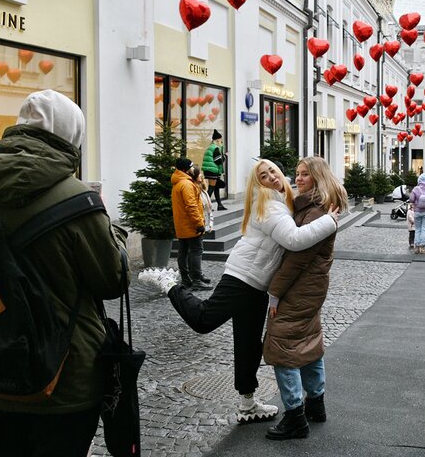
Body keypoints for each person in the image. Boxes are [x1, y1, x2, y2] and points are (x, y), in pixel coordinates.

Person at [0, 90, 128, 456]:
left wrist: (1, 312)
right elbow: (112, 280)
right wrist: (112, 232)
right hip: (67, 379)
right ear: (71, 136)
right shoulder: (80, 201)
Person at [139, 159, 339, 424]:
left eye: (272, 171)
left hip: (258, 283)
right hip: (242, 276)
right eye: (263, 176)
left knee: (248, 344)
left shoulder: (283, 200)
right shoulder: (269, 205)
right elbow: (294, 240)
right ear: (259, 184)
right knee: (204, 319)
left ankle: (247, 403)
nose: (271, 176)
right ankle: (170, 284)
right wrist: (330, 221)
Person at [262, 157, 349, 440]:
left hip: (300, 289)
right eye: (297, 173)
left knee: (283, 346)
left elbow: (296, 260)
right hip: (311, 288)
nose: (298, 179)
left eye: (304, 175)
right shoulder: (315, 206)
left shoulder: (316, 211)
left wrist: (275, 291)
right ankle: (316, 404)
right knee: (308, 341)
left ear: (318, 178)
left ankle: (295, 416)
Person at [171, 158, 209, 290]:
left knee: (183, 252)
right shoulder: (186, 184)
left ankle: (187, 280)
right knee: (196, 251)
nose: (193, 169)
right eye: (191, 167)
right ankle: (196, 280)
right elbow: (191, 206)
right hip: (190, 225)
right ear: (185, 169)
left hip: (183, 225)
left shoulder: (179, 182)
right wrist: (199, 223)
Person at [408, 174, 425, 254]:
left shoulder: (416, 189)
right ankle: (423, 247)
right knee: (424, 229)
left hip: (417, 212)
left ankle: (417, 247)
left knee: (417, 229)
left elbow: (411, 199)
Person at [202, 129, 227, 210]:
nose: (221, 141)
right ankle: (205, 206)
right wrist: (225, 156)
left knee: (216, 188)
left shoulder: (210, 147)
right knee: (211, 188)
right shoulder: (215, 148)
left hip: (209, 170)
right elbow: (218, 161)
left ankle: (219, 205)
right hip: (212, 171)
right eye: (220, 139)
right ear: (217, 140)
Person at [192, 165, 214, 233]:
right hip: (198, 227)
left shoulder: (204, 191)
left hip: (205, 226)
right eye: (199, 173)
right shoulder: (193, 191)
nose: (201, 175)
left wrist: (210, 224)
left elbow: (209, 209)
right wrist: (200, 225)